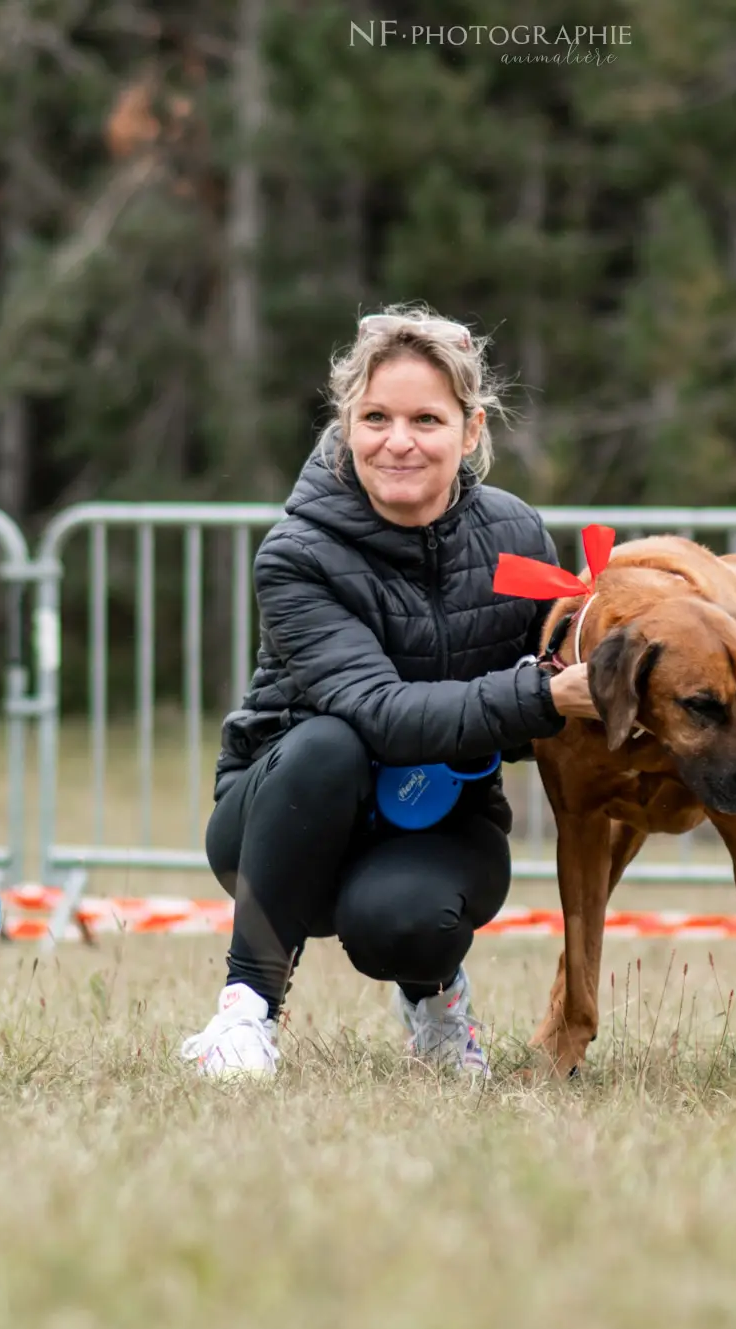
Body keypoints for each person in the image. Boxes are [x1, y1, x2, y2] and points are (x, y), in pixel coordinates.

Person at [178, 305, 599, 1080]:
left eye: (425, 418)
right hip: (279, 817)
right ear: (345, 423)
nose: (397, 440)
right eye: (374, 416)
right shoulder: (297, 555)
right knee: (331, 742)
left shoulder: (517, 534)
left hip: (441, 817)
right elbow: (383, 713)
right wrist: (544, 696)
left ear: (470, 431)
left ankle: (437, 1006)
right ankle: (244, 1012)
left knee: (401, 922)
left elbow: (552, 685)